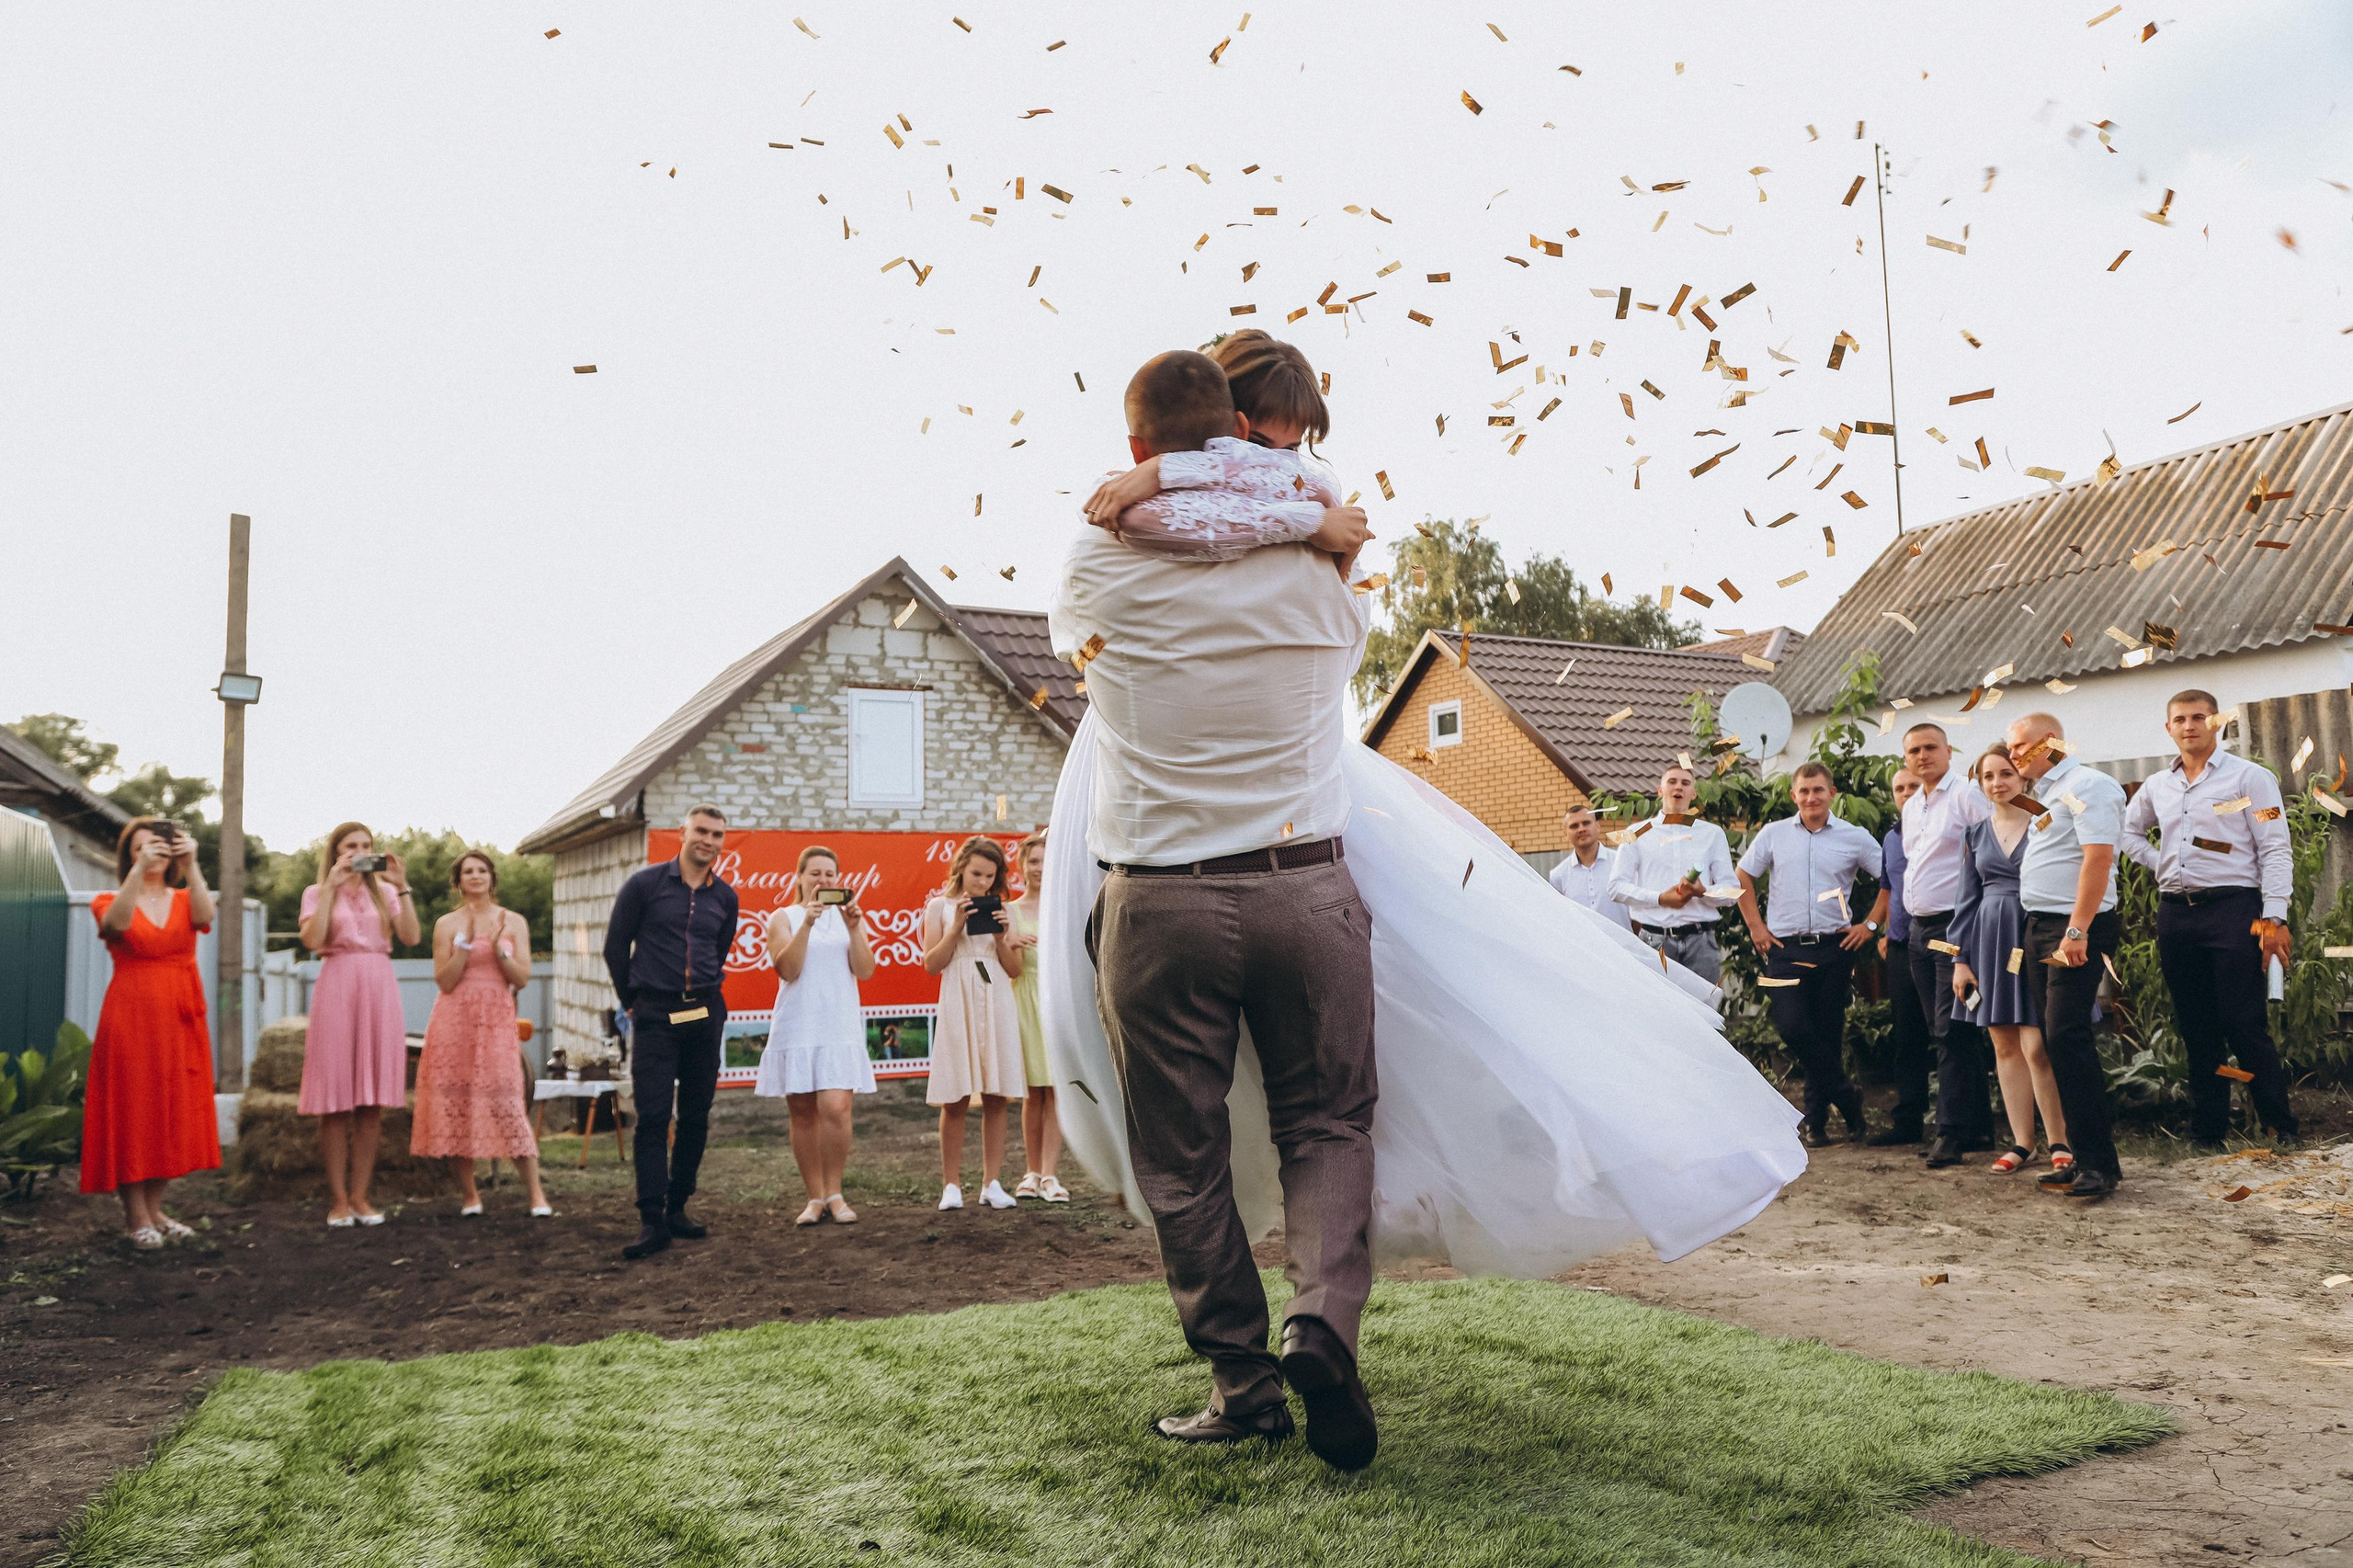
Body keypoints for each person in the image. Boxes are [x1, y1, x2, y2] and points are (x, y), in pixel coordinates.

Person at [1047, 341, 1802, 1472]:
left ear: (1138, 449)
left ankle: (1241, 1382)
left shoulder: (1094, 563)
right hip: (1305, 885)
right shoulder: (1322, 575)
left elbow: (1097, 629)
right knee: (1329, 1120)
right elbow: (1304, 521)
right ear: (1248, 439)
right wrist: (1299, 511)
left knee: (1182, 1154)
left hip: (1159, 903)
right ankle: (1322, 1322)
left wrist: (1162, 483)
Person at [2121, 689, 2300, 1146]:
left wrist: (2274, 917)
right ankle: (2209, 1131)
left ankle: (2280, 1126)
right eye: (2179, 719)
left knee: (2243, 1022)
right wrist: (2161, 861)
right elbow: (2128, 832)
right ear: (2168, 728)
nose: (2189, 726)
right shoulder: (2158, 786)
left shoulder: (2250, 779)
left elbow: (2275, 847)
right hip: (2177, 916)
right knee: (2196, 1025)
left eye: (2198, 717)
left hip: (2235, 911)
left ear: (2215, 722)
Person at [604, 805, 738, 1259]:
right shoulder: (644, 886)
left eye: (718, 834)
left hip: (703, 1012)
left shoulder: (726, 897)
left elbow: (717, 952)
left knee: (697, 1114)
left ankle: (678, 1205)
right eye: (702, 831)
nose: (710, 840)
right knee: (655, 1116)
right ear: (682, 833)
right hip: (656, 1015)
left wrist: (701, 999)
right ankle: (651, 1220)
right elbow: (615, 946)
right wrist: (632, 1001)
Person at [83, 818, 222, 1245]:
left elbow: (205, 915)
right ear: (129, 856)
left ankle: (157, 1209)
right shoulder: (109, 898)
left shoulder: (183, 898)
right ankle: (136, 1217)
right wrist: (136, 874)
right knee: (133, 1109)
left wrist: (193, 863)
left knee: (172, 1110)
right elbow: (116, 926)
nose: (152, 854)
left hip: (179, 1018)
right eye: (141, 848)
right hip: (131, 1016)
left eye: (158, 847)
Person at [2006, 713, 2128, 1200]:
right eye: (2011, 748)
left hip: (2073, 928)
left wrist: (2077, 929)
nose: (2014, 755)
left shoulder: (2088, 785)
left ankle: (2100, 1165)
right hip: (2040, 927)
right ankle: (2082, 1157)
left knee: (2066, 1035)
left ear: (2052, 742)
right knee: (2057, 1042)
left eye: (2022, 747)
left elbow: (2098, 858)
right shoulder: (2045, 794)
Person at [1734, 763, 1887, 1145]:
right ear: (1793, 796)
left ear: (1831, 793)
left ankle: (1816, 1124)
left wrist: (1869, 925)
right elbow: (1743, 876)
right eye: (1803, 791)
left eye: (1818, 790)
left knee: (1827, 1033)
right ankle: (1849, 1100)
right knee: (1793, 1028)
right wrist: (1755, 926)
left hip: (1834, 949)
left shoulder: (1854, 837)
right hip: (1783, 948)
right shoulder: (1773, 835)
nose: (1810, 797)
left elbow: (1892, 878)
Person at [1947, 748, 2072, 1177]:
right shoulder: (1975, 833)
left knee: (2038, 1045)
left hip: (2038, 933)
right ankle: (2023, 1143)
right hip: (1989, 941)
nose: (1998, 782)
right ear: (1980, 784)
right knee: (2002, 1043)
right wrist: (1960, 959)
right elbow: (1965, 899)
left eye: (2006, 773)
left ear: (2023, 778)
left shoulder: (2047, 821)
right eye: (1988, 776)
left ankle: (2060, 1140)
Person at [413, 851, 549, 1216]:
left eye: (482, 870)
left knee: (508, 1102)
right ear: (457, 882)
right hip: (454, 1018)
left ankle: (536, 1194)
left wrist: (499, 951)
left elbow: (521, 979)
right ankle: (470, 1195)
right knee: (456, 1103)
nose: (475, 876)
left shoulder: (514, 921)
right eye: (467, 871)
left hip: (496, 1018)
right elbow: (444, 980)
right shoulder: (446, 924)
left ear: (492, 878)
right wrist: (466, 944)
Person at [298, 822, 420, 1227]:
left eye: (366, 845)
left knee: (370, 1105)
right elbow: (314, 941)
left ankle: (361, 1197)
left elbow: (411, 937)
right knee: (335, 1101)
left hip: (378, 985)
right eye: (351, 846)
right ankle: (337, 1200)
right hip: (337, 983)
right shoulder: (316, 893)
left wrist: (401, 885)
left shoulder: (384, 893)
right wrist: (332, 888)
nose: (360, 852)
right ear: (335, 852)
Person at [759, 845, 878, 1226]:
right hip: (798, 1023)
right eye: (815, 874)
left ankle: (836, 1192)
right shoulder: (784, 917)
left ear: (839, 880)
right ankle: (815, 1197)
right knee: (804, 1112)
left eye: (830, 874)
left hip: (838, 1024)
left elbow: (865, 970)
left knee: (836, 1108)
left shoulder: (851, 919)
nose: (823, 880)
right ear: (799, 877)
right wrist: (807, 923)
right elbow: (788, 970)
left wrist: (856, 927)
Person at [1896, 726, 1996, 1168]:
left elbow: (1987, 860)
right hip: (1920, 932)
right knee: (1950, 1029)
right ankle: (1978, 1128)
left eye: (1930, 748)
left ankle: (1950, 1133)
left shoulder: (1967, 796)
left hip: (1955, 930)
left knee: (1952, 1030)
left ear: (1949, 751)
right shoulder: (1914, 805)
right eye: (1914, 750)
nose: (1922, 756)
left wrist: (1968, 940)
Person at [922, 835, 1028, 1212]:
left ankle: (991, 1183)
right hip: (957, 996)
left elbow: (1014, 969)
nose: (982, 883)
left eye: (990, 876)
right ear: (961, 869)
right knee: (955, 1096)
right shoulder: (939, 906)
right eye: (976, 874)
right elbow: (932, 964)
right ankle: (951, 1185)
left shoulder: (1005, 910)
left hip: (995, 995)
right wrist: (955, 928)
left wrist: (1001, 938)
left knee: (997, 1095)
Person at [1608, 763, 1737, 985]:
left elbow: (1732, 892)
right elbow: (1615, 887)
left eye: (1685, 783)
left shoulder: (1712, 834)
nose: (1679, 787)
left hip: (1701, 942)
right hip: (1654, 941)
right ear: (1660, 790)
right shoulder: (1637, 833)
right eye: (1672, 782)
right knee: (1656, 1013)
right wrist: (1660, 898)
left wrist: (1702, 892)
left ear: (1693, 794)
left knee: (1704, 1015)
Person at [1869, 768, 1933, 1145]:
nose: (1906, 793)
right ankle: (1909, 1123)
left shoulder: (1943, 827)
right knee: (1906, 1037)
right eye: (1899, 788)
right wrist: (1883, 930)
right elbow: (1889, 888)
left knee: (1950, 1033)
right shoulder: (1891, 838)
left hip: (1941, 943)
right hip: (1900, 947)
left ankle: (1964, 1125)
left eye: (1913, 786)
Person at [1006, 832, 1068, 1202]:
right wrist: (1010, 944)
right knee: (1033, 1091)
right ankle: (1031, 1172)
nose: (1039, 868)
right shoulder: (1010, 911)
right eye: (1032, 861)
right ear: (1022, 866)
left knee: (1057, 1090)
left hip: (1058, 1003)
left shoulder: (1063, 908)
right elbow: (1012, 970)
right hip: (1025, 1001)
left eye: (1045, 861)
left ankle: (1050, 1174)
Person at [1548, 804, 1631, 929]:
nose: (1581, 829)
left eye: (1586, 823)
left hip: (1624, 947)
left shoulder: (1622, 863)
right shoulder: (1558, 876)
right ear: (1566, 833)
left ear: (1598, 826)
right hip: (1581, 948)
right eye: (1574, 826)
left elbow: (1638, 913)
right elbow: (1560, 919)